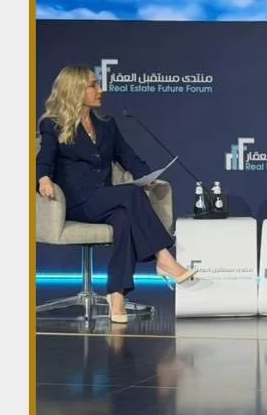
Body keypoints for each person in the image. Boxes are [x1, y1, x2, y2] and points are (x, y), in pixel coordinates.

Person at [36, 65, 197, 324]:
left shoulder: (106, 125)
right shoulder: (52, 125)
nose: (101, 90)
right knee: (131, 195)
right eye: (93, 85)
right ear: (75, 89)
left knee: (124, 219)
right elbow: (44, 159)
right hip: (76, 202)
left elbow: (128, 157)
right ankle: (163, 257)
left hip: (104, 198)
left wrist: (147, 177)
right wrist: (43, 178)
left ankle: (117, 294)